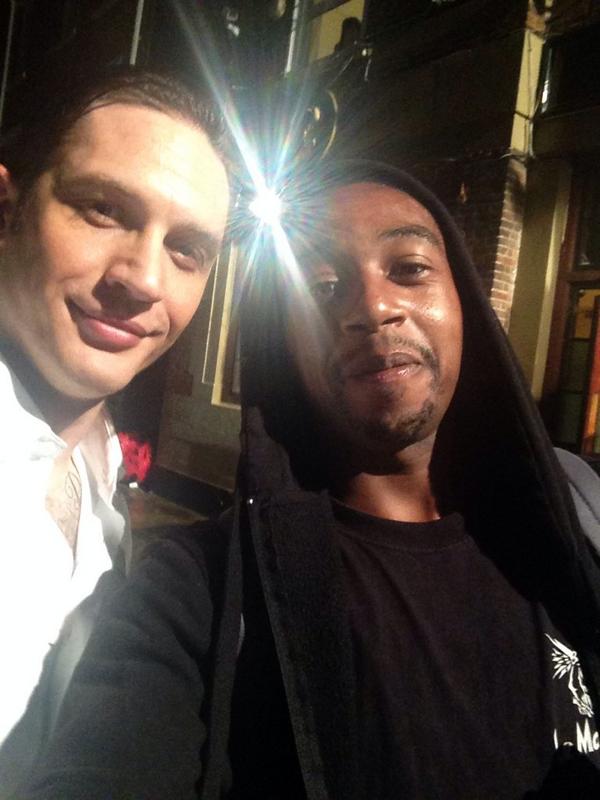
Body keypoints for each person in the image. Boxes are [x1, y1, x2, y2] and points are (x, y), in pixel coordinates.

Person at [21, 162, 600, 799]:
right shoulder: (202, 588)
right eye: (322, 286)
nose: (373, 308)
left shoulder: (576, 518)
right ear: (284, 345)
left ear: (465, 301)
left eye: (409, 269)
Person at [0, 66, 229, 795]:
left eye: (187, 249)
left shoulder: (100, 463)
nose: (144, 279)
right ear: (6, 212)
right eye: (103, 209)